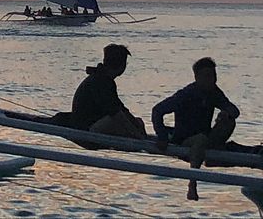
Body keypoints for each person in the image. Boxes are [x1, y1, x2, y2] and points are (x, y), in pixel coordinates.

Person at [152, 57, 259, 200]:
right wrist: (162, 136)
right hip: (184, 138)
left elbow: (234, 110)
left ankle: (216, 149)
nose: (211, 80)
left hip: (207, 137)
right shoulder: (186, 94)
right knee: (200, 139)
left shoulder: (214, 92)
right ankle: (192, 183)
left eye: (214, 76)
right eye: (207, 76)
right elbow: (157, 111)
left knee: (229, 122)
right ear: (197, 77)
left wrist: (226, 113)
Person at [61, 44, 146, 144]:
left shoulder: (102, 78)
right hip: (86, 129)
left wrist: (136, 123)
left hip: (90, 123)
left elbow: (120, 107)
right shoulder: (101, 81)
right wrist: (136, 134)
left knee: (137, 121)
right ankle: (140, 142)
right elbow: (115, 113)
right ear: (122, 65)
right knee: (119, 120)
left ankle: (139, 137)